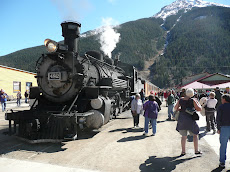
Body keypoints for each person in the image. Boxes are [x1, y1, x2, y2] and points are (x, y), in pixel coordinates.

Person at [174, 88, 202, 156]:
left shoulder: (181, 99)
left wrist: (181, 109)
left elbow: (175, 108)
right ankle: (196, 150)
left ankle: (183, 151)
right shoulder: (193, 100)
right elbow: (199, 109)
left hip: (182, 119)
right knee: (195, 135)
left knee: (184, 136)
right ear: (192, 94)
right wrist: (198, 104)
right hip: (191, 120)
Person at [216, 94, 230, 169]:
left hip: (224, 127)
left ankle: (222, 162)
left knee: (223, 146)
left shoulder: (221, 107)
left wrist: (218, 128)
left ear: (224, 99)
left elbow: (218, 118)